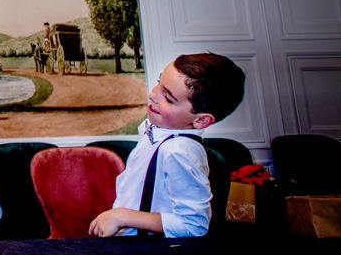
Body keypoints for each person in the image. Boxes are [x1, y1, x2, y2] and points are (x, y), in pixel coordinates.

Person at [90, 53, 245, 238]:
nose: (153, 95)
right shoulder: (157, 131)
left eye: (169, 98)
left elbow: (194, 225)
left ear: (201, 120)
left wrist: (122, 217)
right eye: (159, 83)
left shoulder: (178, 150)